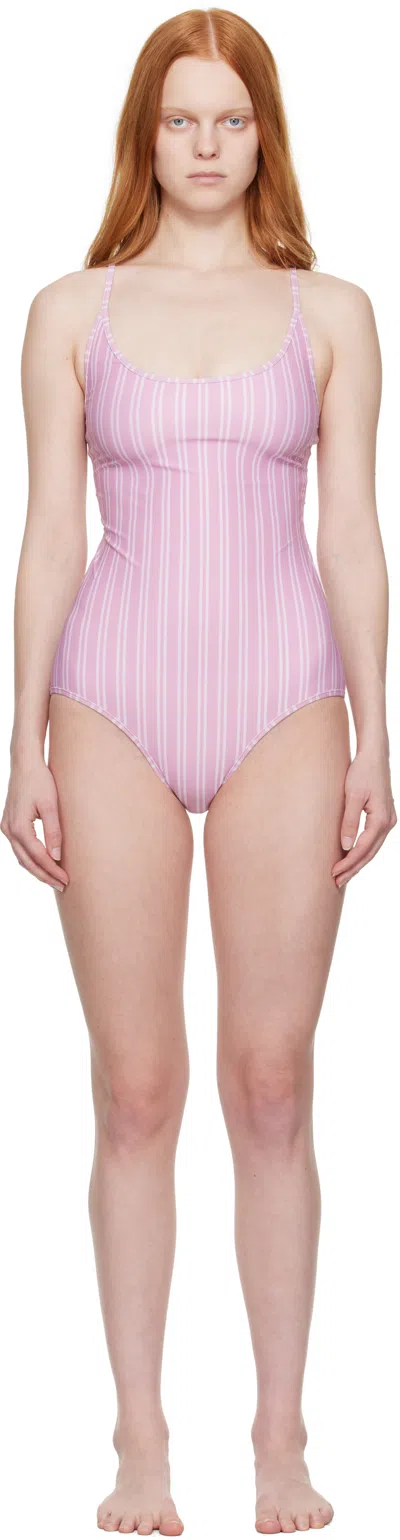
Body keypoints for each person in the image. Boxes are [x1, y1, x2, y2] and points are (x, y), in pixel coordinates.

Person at [1, 8, 397, 1535]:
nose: (209, 144)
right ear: (146, 136)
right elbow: (50, 533)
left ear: (265, 134)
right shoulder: (68, 310)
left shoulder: (334, 311)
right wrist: (22, 736)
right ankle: (139, 1445)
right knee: (136, 1086)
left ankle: (282, 1441)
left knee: (274, 1083)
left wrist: (377, 728)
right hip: (109, 701)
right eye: (183, 120)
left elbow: (351, 532)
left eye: (233, 119)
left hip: (286, 701)